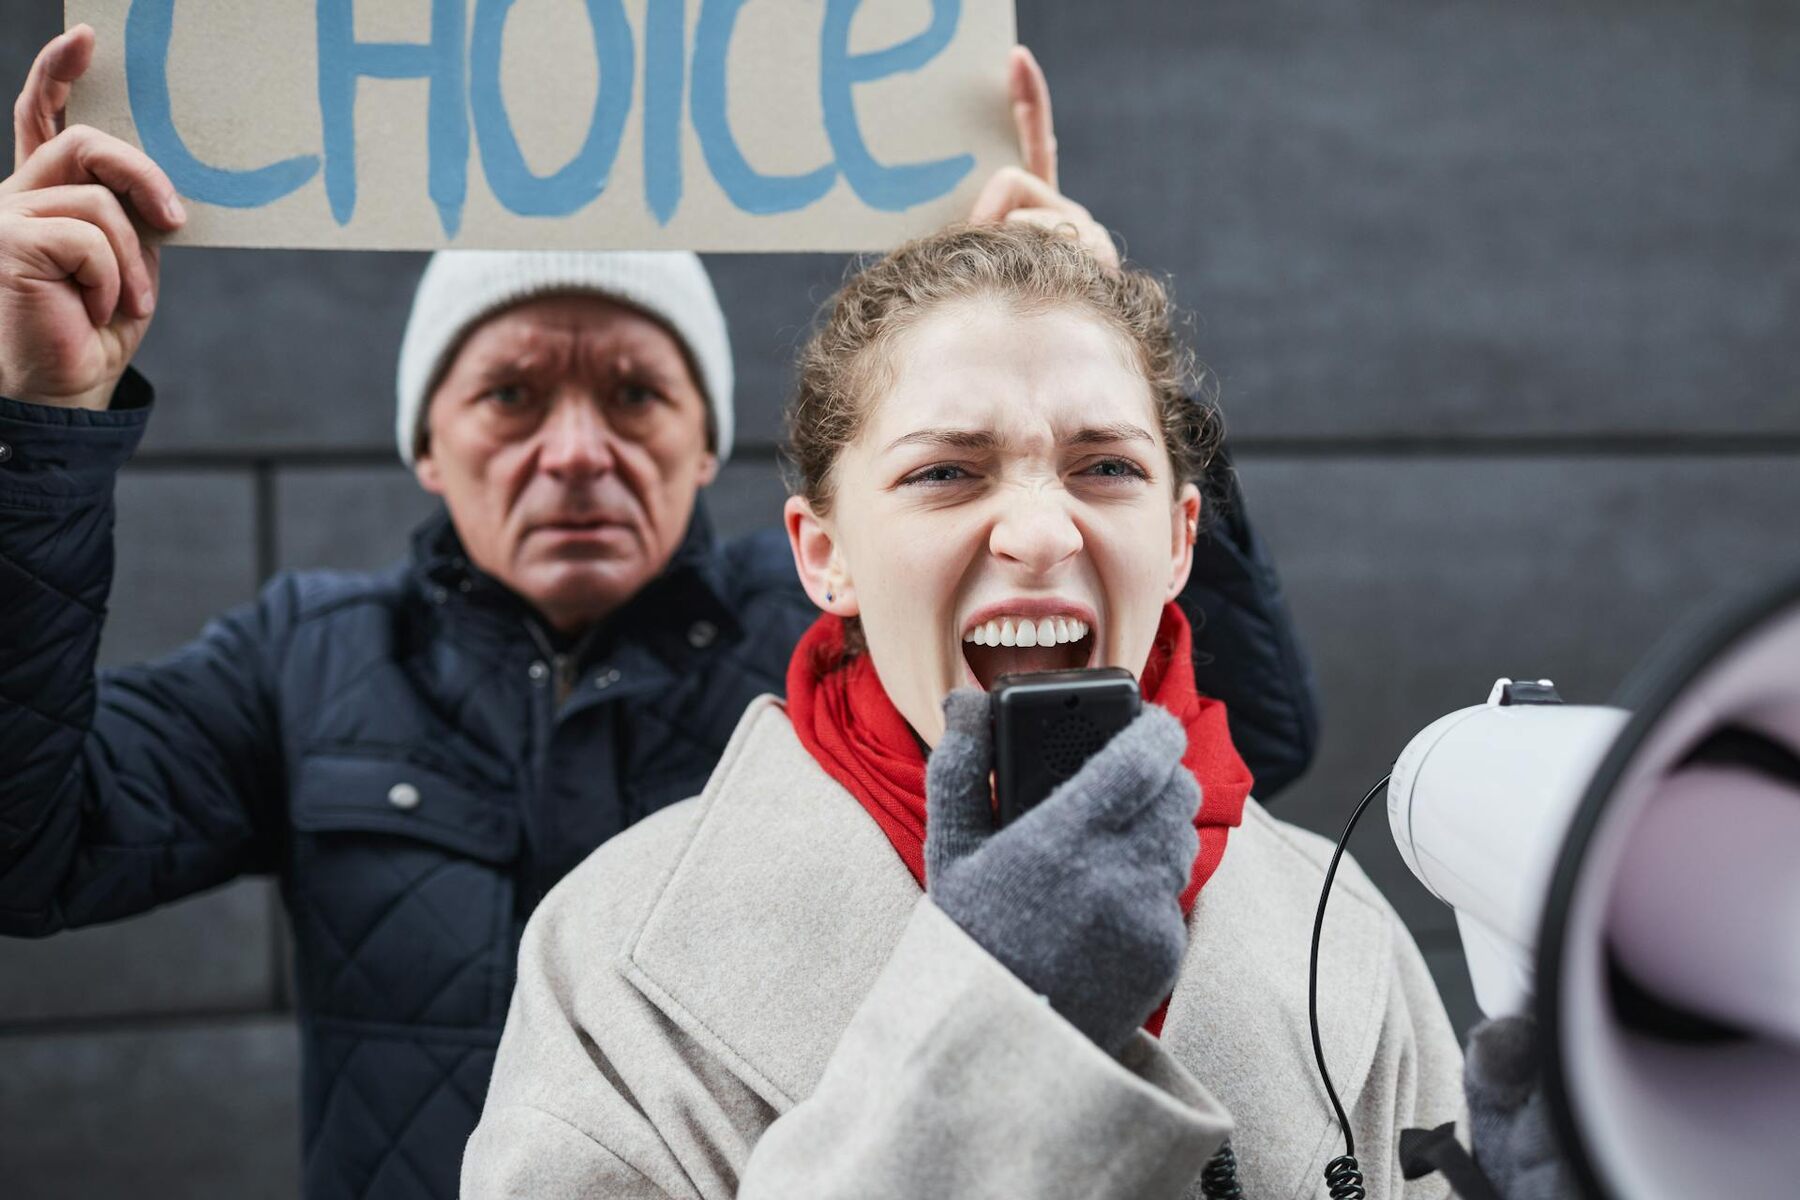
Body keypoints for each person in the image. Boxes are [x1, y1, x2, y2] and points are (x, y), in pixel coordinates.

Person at [0, 25, 1322, 1200]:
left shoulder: (846, 642)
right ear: (427, 445)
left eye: (636, 395)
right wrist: (38, 428)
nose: (576, 450)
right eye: (511, 396)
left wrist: (1048, 357)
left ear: (708, 448)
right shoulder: (309, 659)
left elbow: (1234, 747)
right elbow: (30, 849)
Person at [459, 223, 1468, 1199]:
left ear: (1179, 539)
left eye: (1105, 467)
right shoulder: (611, 958)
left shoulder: (1341, 934)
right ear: (824, 554)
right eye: (946, 473)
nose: (1039, 532)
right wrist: (988, 1013)